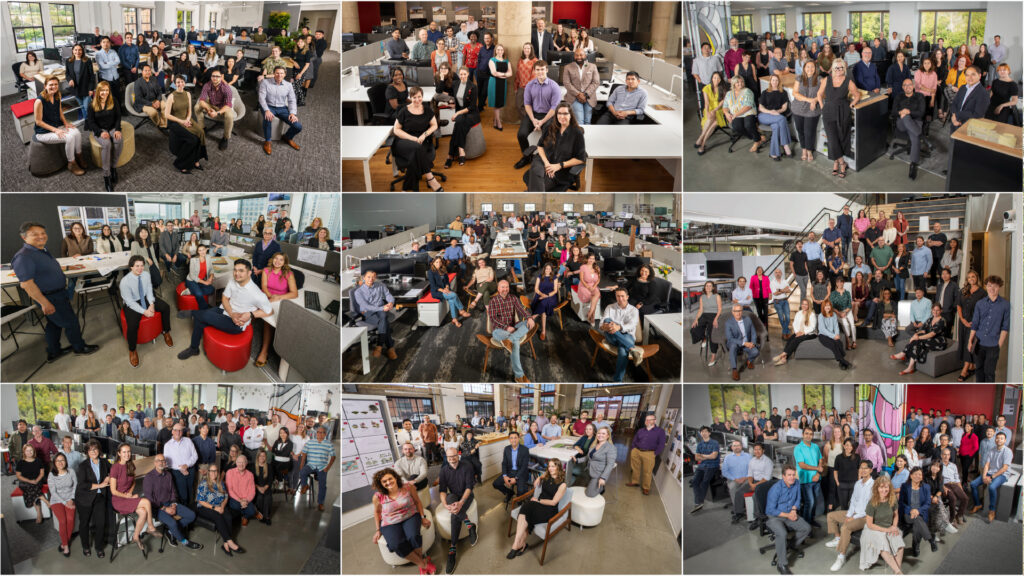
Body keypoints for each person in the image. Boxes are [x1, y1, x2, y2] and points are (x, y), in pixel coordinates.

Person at [176, 259, 272, 361]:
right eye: (235, 270)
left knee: (203, 315)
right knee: (200, 319)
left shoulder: (256, 293)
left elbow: (269, 311)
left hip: (237, 324)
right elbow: (225, 298)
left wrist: (251, 314)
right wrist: (231, 313)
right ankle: (194, 348)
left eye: (241, 271)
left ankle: (192, 312)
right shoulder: (233, 281)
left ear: (249, 273)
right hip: (226, 310)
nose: (237, 273)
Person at [507, 458, 566, 562]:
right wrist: (538, 478)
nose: (550, 468)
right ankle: (518, 544)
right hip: (537, 503)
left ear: (558, 467)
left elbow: (553, 502)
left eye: (553, 466)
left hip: (549, 509)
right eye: (549, 466)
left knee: (527, 514)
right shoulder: (547, 475)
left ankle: (517, 545)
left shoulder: (562, 485)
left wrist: (538, 500)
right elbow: (543, 475)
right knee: (525, 508)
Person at [825, 460, 874, 571]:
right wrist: (849, 514)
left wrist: (854, 517)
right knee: (831, 516)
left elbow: (870, 508)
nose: (863, 470)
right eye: (861, 468)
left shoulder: (874, 485)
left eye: (866, 468)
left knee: (845, 527)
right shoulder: (858, 483)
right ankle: (838, 538)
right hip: (853, 513)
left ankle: (841, 557)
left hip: (864, 517)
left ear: (871, 470)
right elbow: (853, 501)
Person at [512, 61, 562, 169]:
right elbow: (527, 104)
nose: (540, 72)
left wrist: (542, 121)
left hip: (549, 115)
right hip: (533, 114)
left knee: (547, 134)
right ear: (534, 71)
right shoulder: (530, 85)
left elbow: (554, 108)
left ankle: (544, 158)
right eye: (538, 70)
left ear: (547, 70)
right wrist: (533, 120)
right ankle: (527, 157)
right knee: (521, 134)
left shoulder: (554, 86)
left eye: (542, 69)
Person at [766, 465, 812, 575]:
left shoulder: (796, 483)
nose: (792, 477)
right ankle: (781, 564)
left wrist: (794, 510)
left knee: (807, 528)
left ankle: (790, 545)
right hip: (775, 516)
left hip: (790, 513)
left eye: (793, 474)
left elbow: (797, 499)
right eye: (789, 475)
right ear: (783, 476)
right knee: (782, 533)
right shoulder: (776, 489)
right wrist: (788, 515)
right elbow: (770, 509)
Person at [438, 446, 478, 573]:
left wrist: (461, 503)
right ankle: (470, 525)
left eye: (454, 456)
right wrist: (445, 504)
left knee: (454, 515)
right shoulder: (443, 470)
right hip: (453, 496)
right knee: (450, 498)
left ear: (458, 455)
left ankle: (452, 548)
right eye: (449, 457)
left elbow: (469, 487)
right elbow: (442, 490)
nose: (452, 459)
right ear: (446, 457)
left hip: (467, 495)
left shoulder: (467, 466)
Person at [822, 60, 861, 178]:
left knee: (841, 137)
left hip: (843, 112)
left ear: (844, 69)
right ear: (832, 69)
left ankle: (835, 162)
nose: (838, 70)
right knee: (832, 138)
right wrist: (822, 105)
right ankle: (842, 163)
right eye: (836, 68)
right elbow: (819, 94)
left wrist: (852, 103)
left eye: (841, 68)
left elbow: (857, 94)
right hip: (828, 111)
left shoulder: (848, 81)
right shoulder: (826, 80)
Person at [859, 476, 905, 573]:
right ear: (877, 488)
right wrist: (887, 530)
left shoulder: (893, 499)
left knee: (900, 546)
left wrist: (894, 526)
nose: (884, 490)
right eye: (881, 487)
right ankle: (898, 572)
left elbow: (896, 515)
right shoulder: (872, 503)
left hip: (889, 526)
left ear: (889, 488)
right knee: (883, 547)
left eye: (886, 487)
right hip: (873, 529)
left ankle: (897, 570)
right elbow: (870, 524)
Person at [969, 275, 1010, 383]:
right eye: (989, 285)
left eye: (995, 286)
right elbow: (975, 324)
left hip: (993, 345)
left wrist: (998, 345)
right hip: (978, 342)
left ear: (999, 287)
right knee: (978, 370)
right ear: (986, 286)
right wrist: (970, 340)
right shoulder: (979, 303)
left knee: (989, 372)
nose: (992, 289)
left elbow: (1005, 328)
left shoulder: (1005, 305)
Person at [163, 75, 206, 174]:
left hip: (186, 118)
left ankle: (196, 160)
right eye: (178, 82)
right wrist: (182, 121)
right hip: (175, 121)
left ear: (184, 82)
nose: (180, 84)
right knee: (193, 140)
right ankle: (180, 164)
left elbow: (189, 110)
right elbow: (166, 115)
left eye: (182, 81)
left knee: (201, 133)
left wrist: (187, 119)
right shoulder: (171, 96)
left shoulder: (188, 94)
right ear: (174, 83)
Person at [259, 66, 303, 155]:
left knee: (298, 126)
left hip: (282, 108)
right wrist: (267, 110)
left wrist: (292, 113)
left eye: (281, 73)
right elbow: (261, 98)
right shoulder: (265, 82)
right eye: (277, 73)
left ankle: (287, 137)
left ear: (285, 74)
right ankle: (268, 141)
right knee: (268, 118)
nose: (279, 75)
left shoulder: (288, 85)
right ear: (274, 74)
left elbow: (292, 100)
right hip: (268, 106)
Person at [970, 431, 1012, 523]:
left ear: (1005, 440)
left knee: (992, 487)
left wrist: (991, 477)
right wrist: (984, 476)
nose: (999, 440)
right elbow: (987, 465)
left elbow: (1004, 468)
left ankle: (991, 510)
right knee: (973, 484)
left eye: (1001, 438)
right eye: (997, 438)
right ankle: (977, 504)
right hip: (990, 473)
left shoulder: (1008, 451)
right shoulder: (992, 450)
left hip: (1002, 474)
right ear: (995, 439)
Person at [899, 467, 936, 557]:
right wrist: (910, 510)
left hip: (920, 513)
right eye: (915, 474)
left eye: (919, 474)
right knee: (918, 520)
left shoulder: (926, 487)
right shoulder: (904, 486)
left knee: (917, 523)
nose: (917, 476)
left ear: (922, 477)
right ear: (911, 476)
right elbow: (901, 502)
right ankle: (930, 540)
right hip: (907, 514)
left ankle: (916, 546)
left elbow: (927, 503)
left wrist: (918, 511)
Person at [298, 426, 335, 511]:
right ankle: (305, 485)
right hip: (311, 465)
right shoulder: (310, 442)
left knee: (322, 485)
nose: (320, 434)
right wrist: (302, 465)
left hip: (322, 467)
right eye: (318, 432)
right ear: (316, 433)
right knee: (302, 472)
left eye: (322, 432)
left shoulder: (329, 444)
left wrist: (328, 468)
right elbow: (304, 454)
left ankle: (320, 503)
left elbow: (333, 456)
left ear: (325, 434)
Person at [563, 48, 599, 125]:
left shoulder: (592, 66)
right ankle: (579, 136)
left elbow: (596, 82)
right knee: (579, 122)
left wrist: (585, 94)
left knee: (587, 121)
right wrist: (578, 94)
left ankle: (586, 137)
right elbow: (566, 83)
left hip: (589, 97)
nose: (579, 57)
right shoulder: (568, 67)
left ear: (585, 55)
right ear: (574, 56)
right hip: (574, 97)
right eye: (577, 55)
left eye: (581, 55)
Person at [949, 66, 990, 133]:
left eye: (973, 74)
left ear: (979, 76)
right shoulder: (963, 88)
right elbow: (954, 103)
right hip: (955, 124)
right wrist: (954, 116)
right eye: (967, 75)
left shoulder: (983, 93)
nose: (969, 78)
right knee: (952, 142)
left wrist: (957, 115)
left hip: (969, 128)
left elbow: (977, 114)